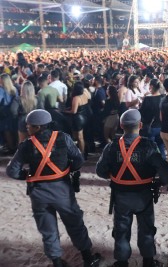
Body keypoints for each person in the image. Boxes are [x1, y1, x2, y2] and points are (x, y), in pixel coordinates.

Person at [6, 109, 101, 267]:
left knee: (47, 229)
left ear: (38, 127)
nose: (27, 128)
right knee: (75, 224)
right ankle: (88, 259)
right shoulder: (63, 138)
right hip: (62, 190)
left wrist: (29, 176)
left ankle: (57, 262)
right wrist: (67, 169)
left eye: (29, 126)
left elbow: (12, 171)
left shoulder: (26, 145)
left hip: (38, 193)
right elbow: (78, 159)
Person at [96, 109, 168, 267]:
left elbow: (100, 171)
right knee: (147, 229)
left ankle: (122, 262)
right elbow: (164, 170)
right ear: (141, 125)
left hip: (121, 196)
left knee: (121, 230)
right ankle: (148, 261)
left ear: (121, 125)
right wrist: (162, 181)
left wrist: (117, 176)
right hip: (143, 195)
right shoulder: (149, 145)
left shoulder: (111, 147)